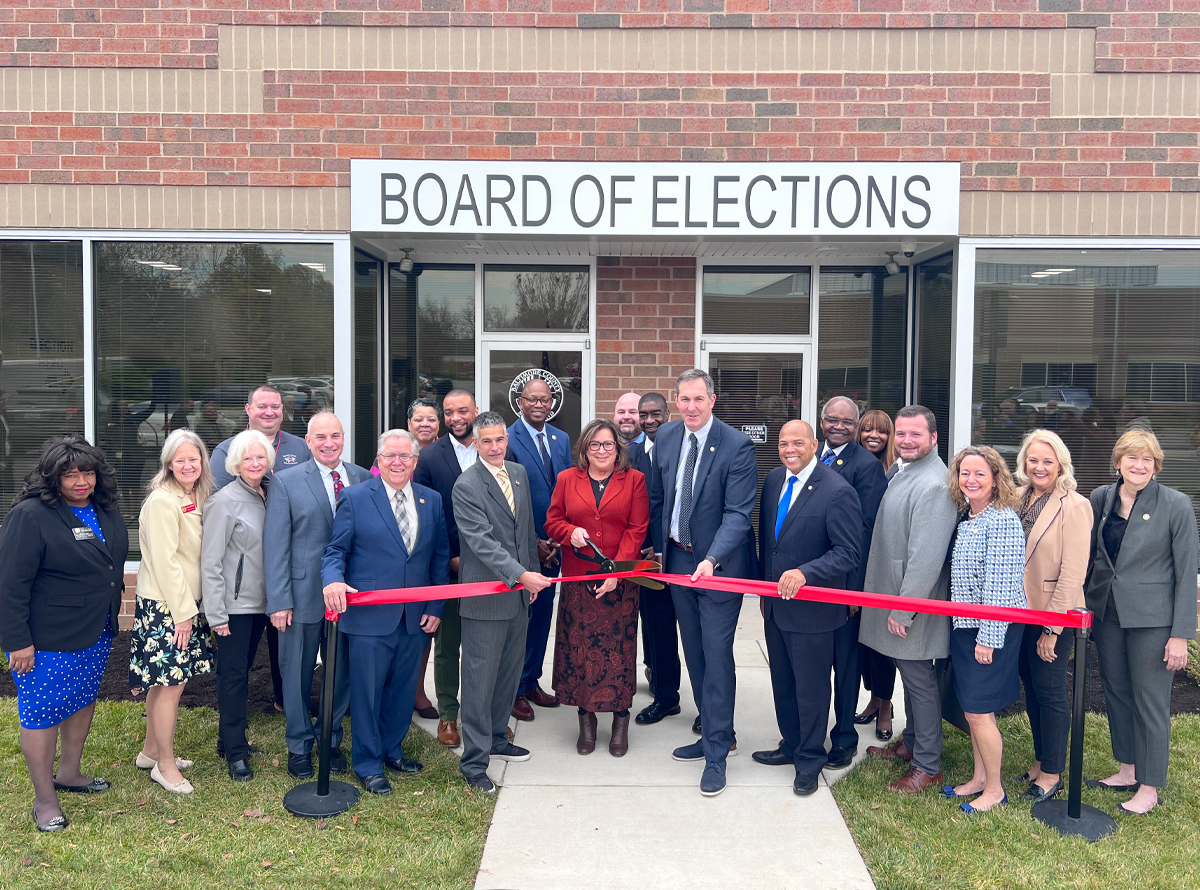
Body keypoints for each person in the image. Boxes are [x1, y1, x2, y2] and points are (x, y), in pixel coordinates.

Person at [1, 435, 127, 831]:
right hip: (47, 637)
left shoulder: (104, 508)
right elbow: (10, 584)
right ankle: (44, 800)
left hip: (96, 630)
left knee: (80, 699)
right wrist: (16, 640)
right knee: (40, 713)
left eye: (86, 473)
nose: (80, 482)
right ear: (52, 476)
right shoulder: (31, 514)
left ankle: (69, 772)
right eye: (70, 475)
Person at [646, 368, 757, 797]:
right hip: (677, 563)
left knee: (716, 654)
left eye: (698, 399)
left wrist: (712, 558)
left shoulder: (737, 445)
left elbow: (737, 513)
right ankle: (714, 730)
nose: (690, 407)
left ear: (713, 400)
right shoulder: (669, 438)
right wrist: (659, 550)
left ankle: (717, 754)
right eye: (684, 400)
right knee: (695, 654)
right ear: (676, 400)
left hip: (719, 570)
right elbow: (660, 498)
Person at [322, 429, 449, 796]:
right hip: (369, 619)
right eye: (390, 456)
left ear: (414, 461)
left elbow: (439, 557)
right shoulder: (356, 497)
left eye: (404, 457)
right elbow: (335, 552)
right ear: (378, 461)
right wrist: (332, 581)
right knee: (367, 693)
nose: (397, 462)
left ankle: (392, 750)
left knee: (402, 689)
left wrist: (436, 605)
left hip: (415, 618)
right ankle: (367, 763)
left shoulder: (432, 500)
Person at [1085, 429, 1198, 814]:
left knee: (1150, 701)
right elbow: (1094, 558)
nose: (1139, 465)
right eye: (1132, 458)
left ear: (1156, 465)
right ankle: (1128, 768)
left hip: (1153, 622)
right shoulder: (1101, 498)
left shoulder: (1176, 504)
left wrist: (1180, 634)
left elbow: (1187, 573)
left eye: (1147, 459)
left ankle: (1149, 788)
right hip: (1107, 614)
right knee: (1117, 692)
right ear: (1118, 462)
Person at [751, 421, 862, 796]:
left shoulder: (837, 491)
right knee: (783, 683)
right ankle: (791, 744)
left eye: (798, 442)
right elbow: (770, 543)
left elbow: (848, 553)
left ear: (815, 444)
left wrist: (806, 572)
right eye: (783, 443)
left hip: (813, 611)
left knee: (812, 690)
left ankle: (810, 761)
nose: (789, 449)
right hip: (776, 607)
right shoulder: (773, 481)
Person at [264, 411, 372, 780]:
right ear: (308, 443)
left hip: (348, 598)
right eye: (320, 437)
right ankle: (299, 745)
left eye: (335, 436)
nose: (329, 443)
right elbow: (275, 545)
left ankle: (331, 738)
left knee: (340, 672)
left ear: (344, 438)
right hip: (301, 595)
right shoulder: (286, 482)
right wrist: (278, 600)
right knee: (295, 671)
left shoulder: (359, 477)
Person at [859, 406, 959, 794]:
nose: (905, 441)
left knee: (919, 681)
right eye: (901, 434)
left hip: (912, 603)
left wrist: (905, 608)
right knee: (913, 676)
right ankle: (913, 744)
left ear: (934, 439)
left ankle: (927, 765)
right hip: (894, 594)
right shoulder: (902, 470)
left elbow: (926, 557)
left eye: (915, 435)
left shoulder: (934, 484)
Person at [452, 411, 552, 793]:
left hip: (519, 597)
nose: (495, 447)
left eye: (500, 440)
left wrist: (529, 577)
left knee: (508, 673)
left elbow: (524, 531)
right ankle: (474, 762)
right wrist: (519, 573)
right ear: (475, 443)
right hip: (484, 599)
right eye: (487, 441)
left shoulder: (519, 474)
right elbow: (482, 542)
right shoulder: (466, 485)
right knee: (479, 680)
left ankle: (497, 737)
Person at [544, 419, 650, 757]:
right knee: (580, 653)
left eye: (608, 445)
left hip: (619, 583)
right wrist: (567, 532)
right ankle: (586, 721)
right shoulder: (566, 479)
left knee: (617, 653)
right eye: (595, 445)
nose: (601, 451)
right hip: (579, 582)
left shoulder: (634, 480)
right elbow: (552, 520)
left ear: (618, 450)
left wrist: (616, 572)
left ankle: (620, 719)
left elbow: (638, 528)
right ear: (584, 450)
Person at [210, 384, 311, 713]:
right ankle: (233, 719)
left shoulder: (299, 446)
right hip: (248, 567)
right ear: (247, 409)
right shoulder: (227, 450)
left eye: (276, 407)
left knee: (285, 639)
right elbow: (228, 504)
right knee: (240, 655)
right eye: (262, 406)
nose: (270, 412)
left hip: (289, 563)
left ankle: (285, 700)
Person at [129, 430, 215, 795]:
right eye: (179, 460)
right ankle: (164, 766)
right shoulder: (163, 501)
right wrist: (183, 614)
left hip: (184, 603)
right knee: (170, 685)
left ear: (202, 461)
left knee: (164, 684)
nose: (187, 465)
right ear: (168, 463)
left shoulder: (196, 494)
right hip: (167, 605)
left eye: (193, 458)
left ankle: (150, 752)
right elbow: (164, 563)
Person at [1009, 429, 1093, 803]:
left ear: (1060, 463)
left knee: (1051, 693)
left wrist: (1052, 628)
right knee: (1032, 690)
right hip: (1018, 612)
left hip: (1050, 614)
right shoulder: (1018, 497)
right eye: (1033, 459)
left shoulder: (1074, 505)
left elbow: (1074, 574)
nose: (1039, 467)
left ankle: (1053, 772)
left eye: (1047, 460)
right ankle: (1041, 759)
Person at [943, 446, 1027, 813]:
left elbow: (1002, 586)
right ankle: (979, 778)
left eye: (980, 474)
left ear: (996, 479)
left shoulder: (1003, 520)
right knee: (975, 710)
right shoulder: (969, 516)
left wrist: (988, 639)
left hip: (990, 629)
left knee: (979, 711)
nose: (971, 480)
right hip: (965, 626)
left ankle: (994, 789)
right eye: (965, 473)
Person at [816, 396, 887, 767]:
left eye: (847, 422)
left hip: (844, 586)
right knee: (814, 667)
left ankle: (844, 737)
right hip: (810, 583)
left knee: (844, 667)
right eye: (832, 419)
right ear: (822, 420)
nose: (839, 426)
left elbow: (865, 532)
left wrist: (854, 591)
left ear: (856, 425)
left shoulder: (865, 466)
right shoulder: (812, 456)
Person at [200, 429, 274, 782]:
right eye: (248, 458)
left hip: (261, 604)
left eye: (261, 457)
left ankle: (227, 741)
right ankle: (236, 754)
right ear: (235, 464)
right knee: (232, 678)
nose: (255, 463)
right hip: (233, 607)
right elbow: (210, 562)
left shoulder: (269, 494)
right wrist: (216, 613)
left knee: (242, 672)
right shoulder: (223, 501)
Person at [413, 388, 479, 748]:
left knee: (483, 648)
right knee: (447, 645)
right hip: (450, 568)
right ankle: (448, 717)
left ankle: (481, 716)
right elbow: (428, 519)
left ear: (476, 411)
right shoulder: (429, 458)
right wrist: (449, 558)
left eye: (463, 411)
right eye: (449, 412)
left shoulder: (493, 448)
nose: (456, 418)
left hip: (491, 571)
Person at [506, 377, 571, 720]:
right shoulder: (509, 438)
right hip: (523, 545)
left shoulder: (561, 439)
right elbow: (507, 496)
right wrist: (532, 538)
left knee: (543, 613)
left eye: (544, 400)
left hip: (555, 545)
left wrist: (558, 536)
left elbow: (565, 489)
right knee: (521, 617)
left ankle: (531, 680)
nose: (538, 405)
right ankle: (514, 688)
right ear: (520, 401)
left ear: (551, 403)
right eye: (532, 400)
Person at [853, 410, 899, 731]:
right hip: (856, 566)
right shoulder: (852, 465)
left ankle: (885, 704)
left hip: (884, 569)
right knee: (862, 642)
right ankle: (872, 698)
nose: (874, 435)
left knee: (882, 644)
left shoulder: (896, 472)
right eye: (867, 429)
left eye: (881, 431)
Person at [632, 391, 672, 700]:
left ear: (667, 412)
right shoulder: (630, 455)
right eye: (643, 415)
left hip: (681, 555)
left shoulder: (683, 450)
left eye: (655, 413)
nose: (649, 420)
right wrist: (645, 545)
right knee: (656, 626)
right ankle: (664, 692)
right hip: (645, 559)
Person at [405, 396, 442, 718]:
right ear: (409, 424)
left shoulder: (444, 455)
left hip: (435, 553)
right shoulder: (394, 453)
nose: (425, 424)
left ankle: (418, 691)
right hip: (401, 561)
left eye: (431, 418)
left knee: (428, 629)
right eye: (419, 419)